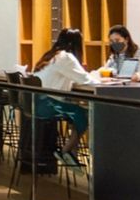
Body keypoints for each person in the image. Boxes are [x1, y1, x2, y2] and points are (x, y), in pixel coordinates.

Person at [32, 28, 98, 164]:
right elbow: (87, 80)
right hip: (48, 105)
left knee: (77, 110)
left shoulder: (52, 55)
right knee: (84, 113)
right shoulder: (66, 57)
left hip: (37, 102)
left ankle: (72, 156)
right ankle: (65, 152)